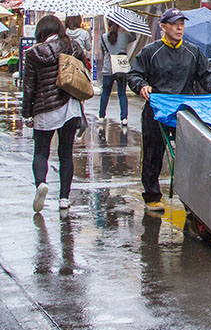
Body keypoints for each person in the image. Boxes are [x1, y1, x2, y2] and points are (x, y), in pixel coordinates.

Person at [127, 8, 211, 211]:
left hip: (183, 111)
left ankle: (191, 198)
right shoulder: (150, 51)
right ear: (163, 27)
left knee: (190, 154)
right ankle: (152, 196)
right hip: (156, 111)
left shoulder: (193, 51)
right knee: (152, 154)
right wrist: (141, 85)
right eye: (174, 23)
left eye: (182, 23)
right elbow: (135, 75)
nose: (179, 27)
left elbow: (206, 74)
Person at [21, 14, 89, 214]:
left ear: (41, 32)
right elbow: (82, 69)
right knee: (66, 153)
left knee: (41, 151)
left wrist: (27, 113)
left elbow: (29, 87)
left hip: (45, 108)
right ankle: (64, 198)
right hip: (71, 105)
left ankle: (41, 184)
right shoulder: (73, 45)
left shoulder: (34, 53)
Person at [98, 20, 137, 127]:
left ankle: (101, 115)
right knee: (122, 93)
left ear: (109, 26)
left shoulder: (103, 37)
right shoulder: (124, 36)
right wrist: (127, 28)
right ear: (120, 25)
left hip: (108, 68)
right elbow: (134, 37)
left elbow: (102, 50)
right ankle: (124, 118)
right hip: (121, 68)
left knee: (105, 93)